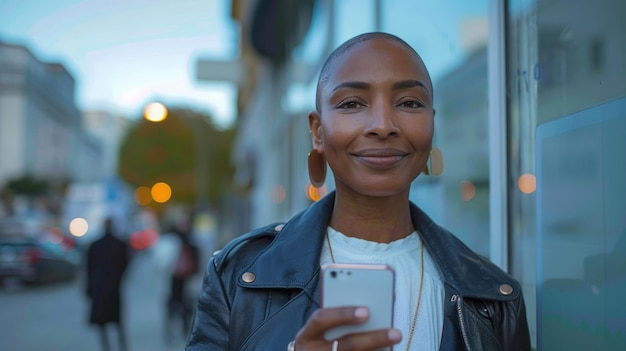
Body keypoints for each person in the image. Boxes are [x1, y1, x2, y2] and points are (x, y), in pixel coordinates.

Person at [185, 32, 531, 351]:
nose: (382, 125)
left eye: (409, 103)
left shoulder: (493, 295)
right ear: (317, 132)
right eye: (351, 103)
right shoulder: (237, 274)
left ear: (432, 124)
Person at [86, 217, 130, 351]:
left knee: (102, 323)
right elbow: (126, 264)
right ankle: (122, 347)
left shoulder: (95, 245)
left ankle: (107, 348)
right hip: (113, 288)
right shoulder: (120, 245)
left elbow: (89, 269)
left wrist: (89, 289)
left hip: (99, 288)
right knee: (118, 322)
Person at [165, 209, 200, 345]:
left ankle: (184, 331)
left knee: (186, 307)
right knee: (174, 306)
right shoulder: (174, 238)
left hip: (186, 277)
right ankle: (172, 333)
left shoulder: (190, 239)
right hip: (175, 277)